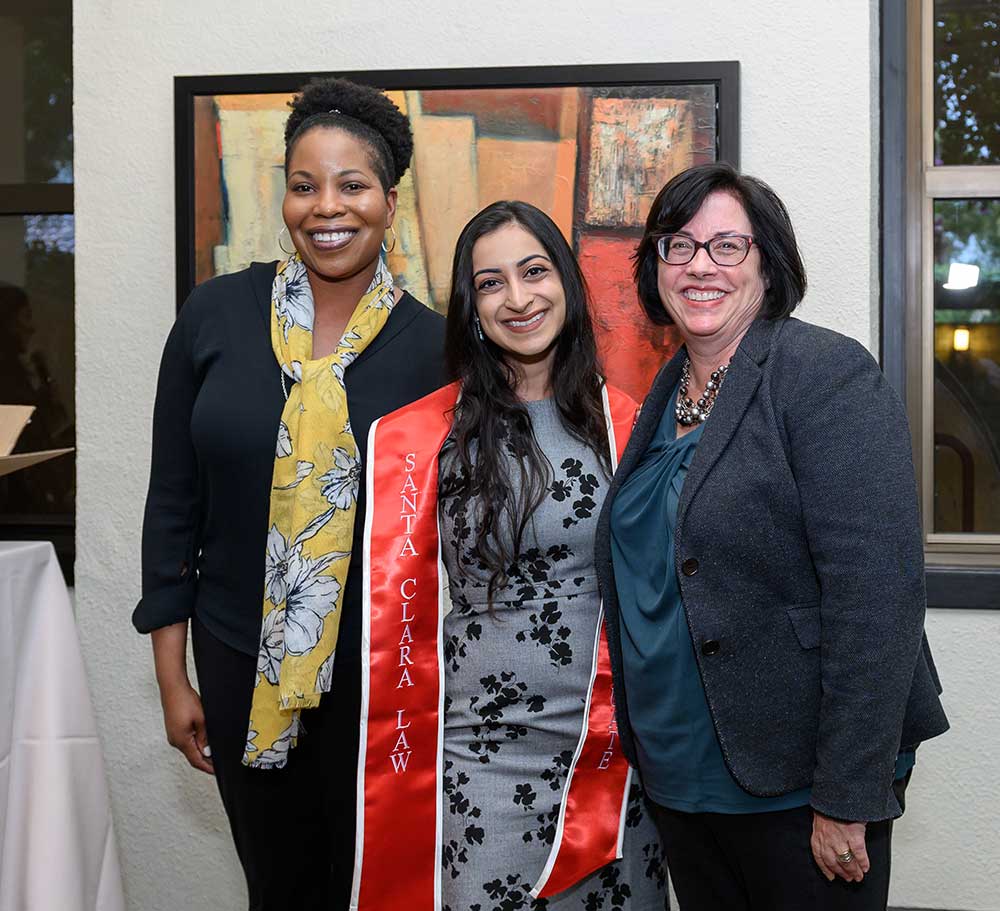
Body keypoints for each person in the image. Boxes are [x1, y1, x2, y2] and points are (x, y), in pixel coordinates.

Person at [594, 161, 950, 910]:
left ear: (769, 262)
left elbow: (877, 594)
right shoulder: (666, 395)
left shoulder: (820, 372)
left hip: (796, 785)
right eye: (678, 245)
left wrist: (848, 792)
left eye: (728, 246)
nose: (699, 266)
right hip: (680, 778)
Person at [134, 78, 445, 910]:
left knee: (371, 886)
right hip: (237, 658)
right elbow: (173, 505)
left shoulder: (438, 349)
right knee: (275, 886)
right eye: (305, 184)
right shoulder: (214, 317)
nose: (326, 207)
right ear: (284, 194)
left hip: (382, 680)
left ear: (388, 199)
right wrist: (174, 676)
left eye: (351, 185)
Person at [351, 201, 668, 911]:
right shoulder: (430, 439)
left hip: (612, 764)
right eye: (491, 283)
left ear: (566, 282)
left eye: (534, 271)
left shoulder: (631, 425)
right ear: (470, 306)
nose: (518, 298)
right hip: (483, 763)